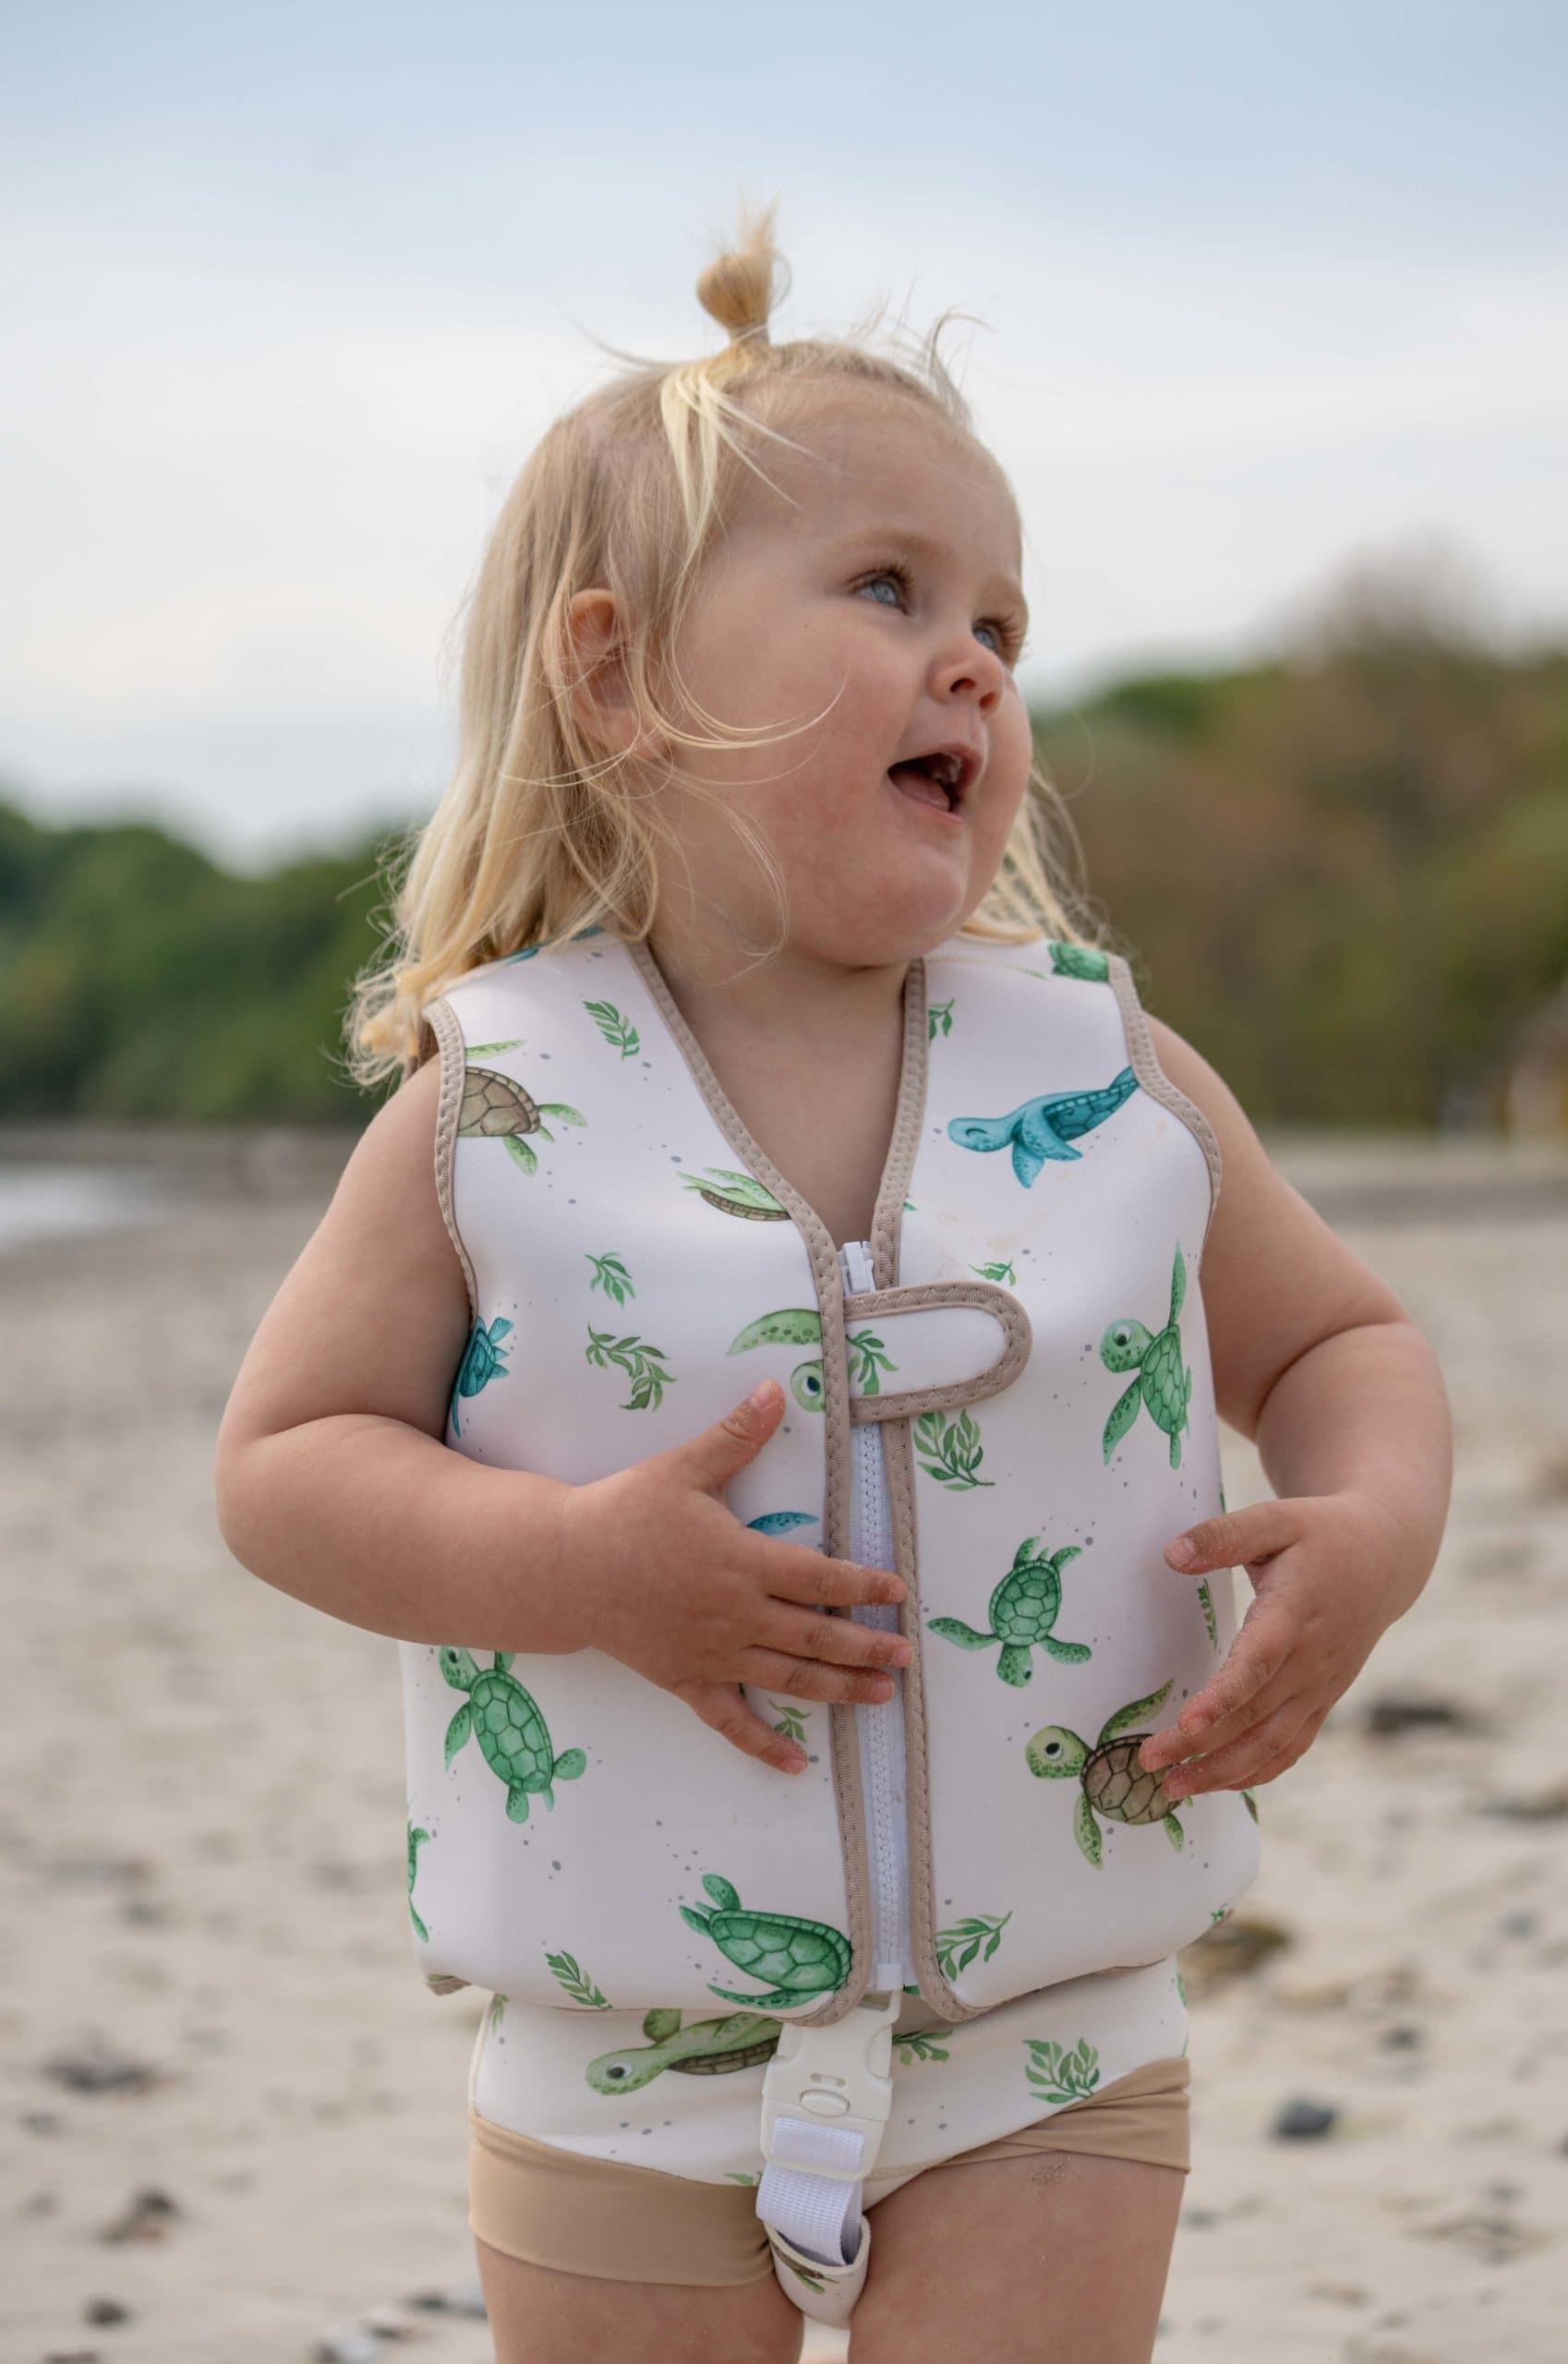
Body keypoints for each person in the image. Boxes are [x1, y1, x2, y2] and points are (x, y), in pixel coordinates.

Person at [213, 196, 1453, 2364]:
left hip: (1049, 2034)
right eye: (888, 589)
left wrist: (1373, 1528)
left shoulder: (1111, 1073)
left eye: (1002, 621)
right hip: (618, 2044)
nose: (974, 659)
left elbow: (1342, 1337)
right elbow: (286, 1464)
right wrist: (573, 1559)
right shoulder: (491, 1107)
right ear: (612, 673)